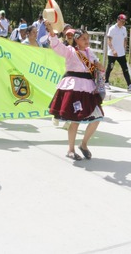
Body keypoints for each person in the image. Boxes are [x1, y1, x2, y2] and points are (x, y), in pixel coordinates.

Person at [46, 22, 105, 161]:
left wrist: (99, 66)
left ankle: (83, 144)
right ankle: (70, 150)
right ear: (77, 40)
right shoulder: (70, 51)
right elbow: (57, 46)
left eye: (87, 38)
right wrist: (52, 33)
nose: (86, 41)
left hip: (89, 88)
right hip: (74, 88)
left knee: (97, 117)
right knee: (75, 120)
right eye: (83, 38)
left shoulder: (90, 53)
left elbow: (98, 66)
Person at [105, 14, 131, 91]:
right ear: (118, 20)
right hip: (112, 53)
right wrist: (113, 50)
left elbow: (125, 39)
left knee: (125, 69)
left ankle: (129, 85)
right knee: (110, 67)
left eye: (124, 21)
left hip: (121, 53)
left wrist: (124, 48)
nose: (123, 23)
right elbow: (109, 40)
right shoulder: (112, 29)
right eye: (122, 21)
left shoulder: (124, 29)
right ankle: (106, 82)